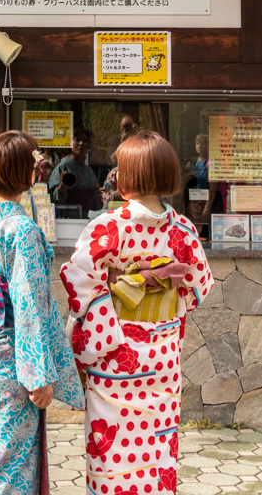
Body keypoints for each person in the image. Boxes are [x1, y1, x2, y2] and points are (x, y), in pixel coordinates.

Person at [63, 131, 213, 495]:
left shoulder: (107, 227)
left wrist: (119, 289)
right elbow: (197, 289)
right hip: (162, 358)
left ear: (125, 175)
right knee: (157, 451)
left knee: (111, 454)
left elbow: (78, 281)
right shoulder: (184, 231)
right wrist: (161, 296)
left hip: (114, 354)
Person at [0, 131, 83, 495]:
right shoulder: (21, 230)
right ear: (30, 174)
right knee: (8, 463)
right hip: (9, 361)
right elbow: (30, 307)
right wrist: (38, 375)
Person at [47, 128, 101, 215]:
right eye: (77, 139)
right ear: (70, 143)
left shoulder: (89, 170)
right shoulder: (63, 167)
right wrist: (62, 186)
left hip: (88, 216)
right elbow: (54, 198)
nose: (81, 143)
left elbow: (95, 196)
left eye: (84, 140)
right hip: (70, 217)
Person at [100, 113, 141, 197]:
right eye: (124, 127)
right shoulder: (115, 140)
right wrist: (123, 140)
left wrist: (137, 134)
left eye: (129, 126)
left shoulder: (141, 139)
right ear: (120, 128)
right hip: (122, 173)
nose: (127, 129)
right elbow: (113, 160)